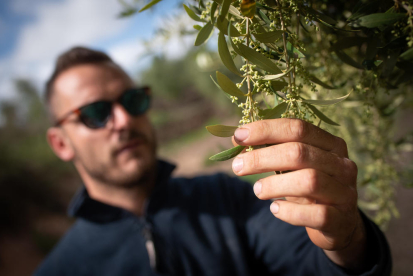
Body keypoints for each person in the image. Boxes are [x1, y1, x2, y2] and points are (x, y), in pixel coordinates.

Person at [34, 46, 391, 276]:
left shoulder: (226, 197)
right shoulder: (62, 267)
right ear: (60, 143)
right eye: (96, 113)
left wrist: (348, 243)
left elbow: (312, 265)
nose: (123, 120)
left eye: (132, 101)